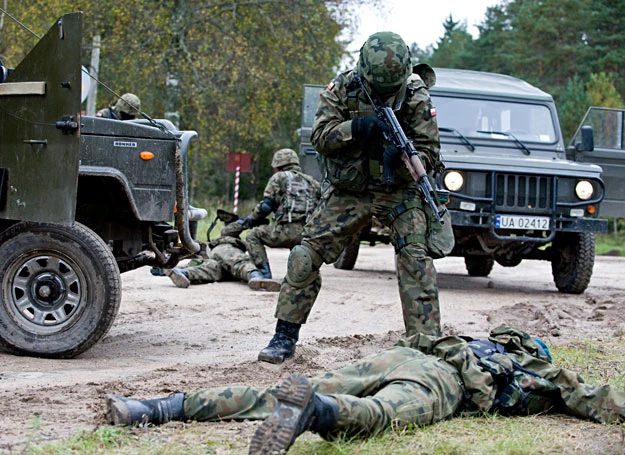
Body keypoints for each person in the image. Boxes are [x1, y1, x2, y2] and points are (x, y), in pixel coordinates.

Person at [105, 326, 625, 455]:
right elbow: (598, 397)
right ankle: (315, 412)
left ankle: (152, 408)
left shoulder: (469, 338)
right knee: (380, 414)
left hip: (401, 356)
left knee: (268, 394)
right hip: (439, 384)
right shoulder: (535, 367)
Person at [257, 31, 447, 364]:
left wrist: (403, 157)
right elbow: (320, 137)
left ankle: (426, 347)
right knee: (304, 256)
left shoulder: (417, 95)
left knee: (417, 260)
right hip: (350, 190)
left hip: (399, 191)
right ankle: (283, 336)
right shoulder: (342, 89)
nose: (386, 93)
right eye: (380, 88)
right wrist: (358, 128)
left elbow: (429, 154)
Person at [237, 148, 321, 279]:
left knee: (253, 235)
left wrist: (250, 219)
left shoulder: (280, 177)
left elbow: (266, 206)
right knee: (299, 249)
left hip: (285, 231)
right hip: (306, 235)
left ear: (279, 165)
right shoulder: (312, 182)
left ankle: (264, 274)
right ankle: (301, 276)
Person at [165, 221, 281, 292]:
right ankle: (256, 277)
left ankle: (182, 274)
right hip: (225, 249)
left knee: (209, 269)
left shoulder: (224, 243)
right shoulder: (227, 238)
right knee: (240, 263)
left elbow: (197, 261)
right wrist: (245, 222)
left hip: (217, 259)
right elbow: (230, 229)